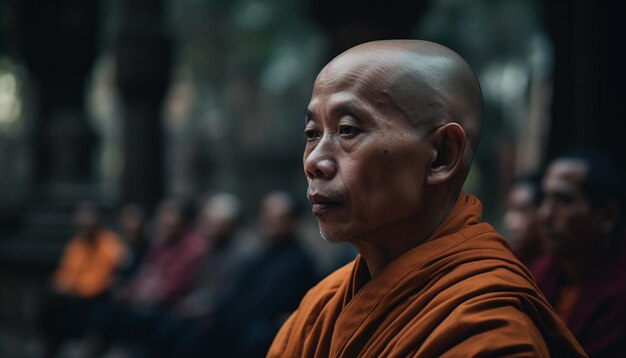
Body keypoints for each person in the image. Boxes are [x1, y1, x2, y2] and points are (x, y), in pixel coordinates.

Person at [267, 39, 586, 357]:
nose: (314, 162)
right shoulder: (320, 308)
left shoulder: (485, 327)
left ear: (442, 156)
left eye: (348, 130)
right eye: (312, 134)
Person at [531, 148, 626, 357]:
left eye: (563, 200)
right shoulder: (543, 271)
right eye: (544, 198)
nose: (545, 214)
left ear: (607, 216)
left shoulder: (619, 292)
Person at [39, 201, 124, 357]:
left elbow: (100, 279)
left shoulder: (109, 243)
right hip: (75, 297)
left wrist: (74, 285)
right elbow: (64, 272)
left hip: (97, 297)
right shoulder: (76, 244)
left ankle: (94, 345)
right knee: (49, 301)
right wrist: (63, 283)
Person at [503, 172, 544, 268]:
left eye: (521, 209)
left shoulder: (553, 265)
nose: (508, 220)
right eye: (509, 209)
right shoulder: (512, 259)